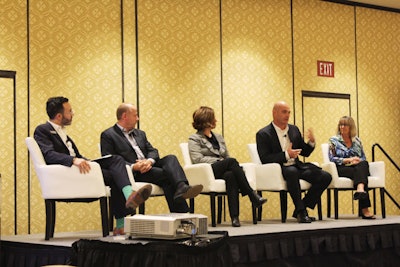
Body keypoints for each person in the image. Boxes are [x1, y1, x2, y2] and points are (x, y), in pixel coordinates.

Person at [34, 96, 152, 236]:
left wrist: (87, 161)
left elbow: (76, 155)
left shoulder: (62, 131)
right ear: (59, 115)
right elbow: (49, 154)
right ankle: (126, 205)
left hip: (79, 166)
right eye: (70, 111)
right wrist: (73, 160)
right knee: (116, 172)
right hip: (69, 172)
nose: (73, 114)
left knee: (116, 162)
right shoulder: (43, 130)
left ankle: (123, 217)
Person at [100, 103, 203, 214]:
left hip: (149, 166)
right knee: (168, 177)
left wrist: (149, 161)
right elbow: (110, 160)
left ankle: (181, 186)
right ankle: (182, 213)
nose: (138, 119)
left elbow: (153, 151)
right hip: (133, 173)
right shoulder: (108, 135)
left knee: (171, 158)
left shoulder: (140, 133)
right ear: (125, 116)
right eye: (135, 115)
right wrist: (134, 166)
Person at [188, 106, 267, 227]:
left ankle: (235, 218)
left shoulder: (218, 137)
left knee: (230, 175)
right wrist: (219, 160)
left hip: (222, 169)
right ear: (207, 120)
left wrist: (224, 161)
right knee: (231, 162)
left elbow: (227, 155)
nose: (216, 120)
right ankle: (252, 195)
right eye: (213, 117)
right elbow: (197, 159)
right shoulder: (195, 138)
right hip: (208, 171)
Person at [256, 101, 332, 223]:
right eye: (284, 112)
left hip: (297, 166)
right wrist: (286, 155)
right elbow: (265, 158)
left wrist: (311, 142)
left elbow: (304, 152)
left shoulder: (294, 129)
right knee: (291, 172)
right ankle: (301, 212)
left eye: (289, 112)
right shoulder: (263, 134)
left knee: (325, 177)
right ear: (274, 113)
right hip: (279, 168)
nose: (287, 115)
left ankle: (301, 207)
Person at [328, 116, 375, 219]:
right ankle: (365, 209)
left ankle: (360, 189)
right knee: (361, 174)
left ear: (351, 127)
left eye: (345, 125)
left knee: (363, 164)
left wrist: (357, 160)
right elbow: (331, 159)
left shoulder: (357, 141)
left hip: (356, 167)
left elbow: (363, 157)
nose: (342, 127)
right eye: (341, 124)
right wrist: (348, 160)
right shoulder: (334, 140)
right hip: (341, 168)